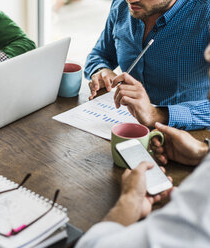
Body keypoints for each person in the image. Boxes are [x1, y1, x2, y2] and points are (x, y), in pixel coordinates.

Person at [75, 43, 210, 248]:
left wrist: (128, 202)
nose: (207, 54)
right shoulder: (122, 9)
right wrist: (203, 152)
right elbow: (99, 54)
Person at [85, 0, 210, 130]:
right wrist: (101, 70)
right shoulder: (121, 5)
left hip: (190, 137)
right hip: (121, 125)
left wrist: (157, 114)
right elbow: (98, 55)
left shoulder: (206, 13)